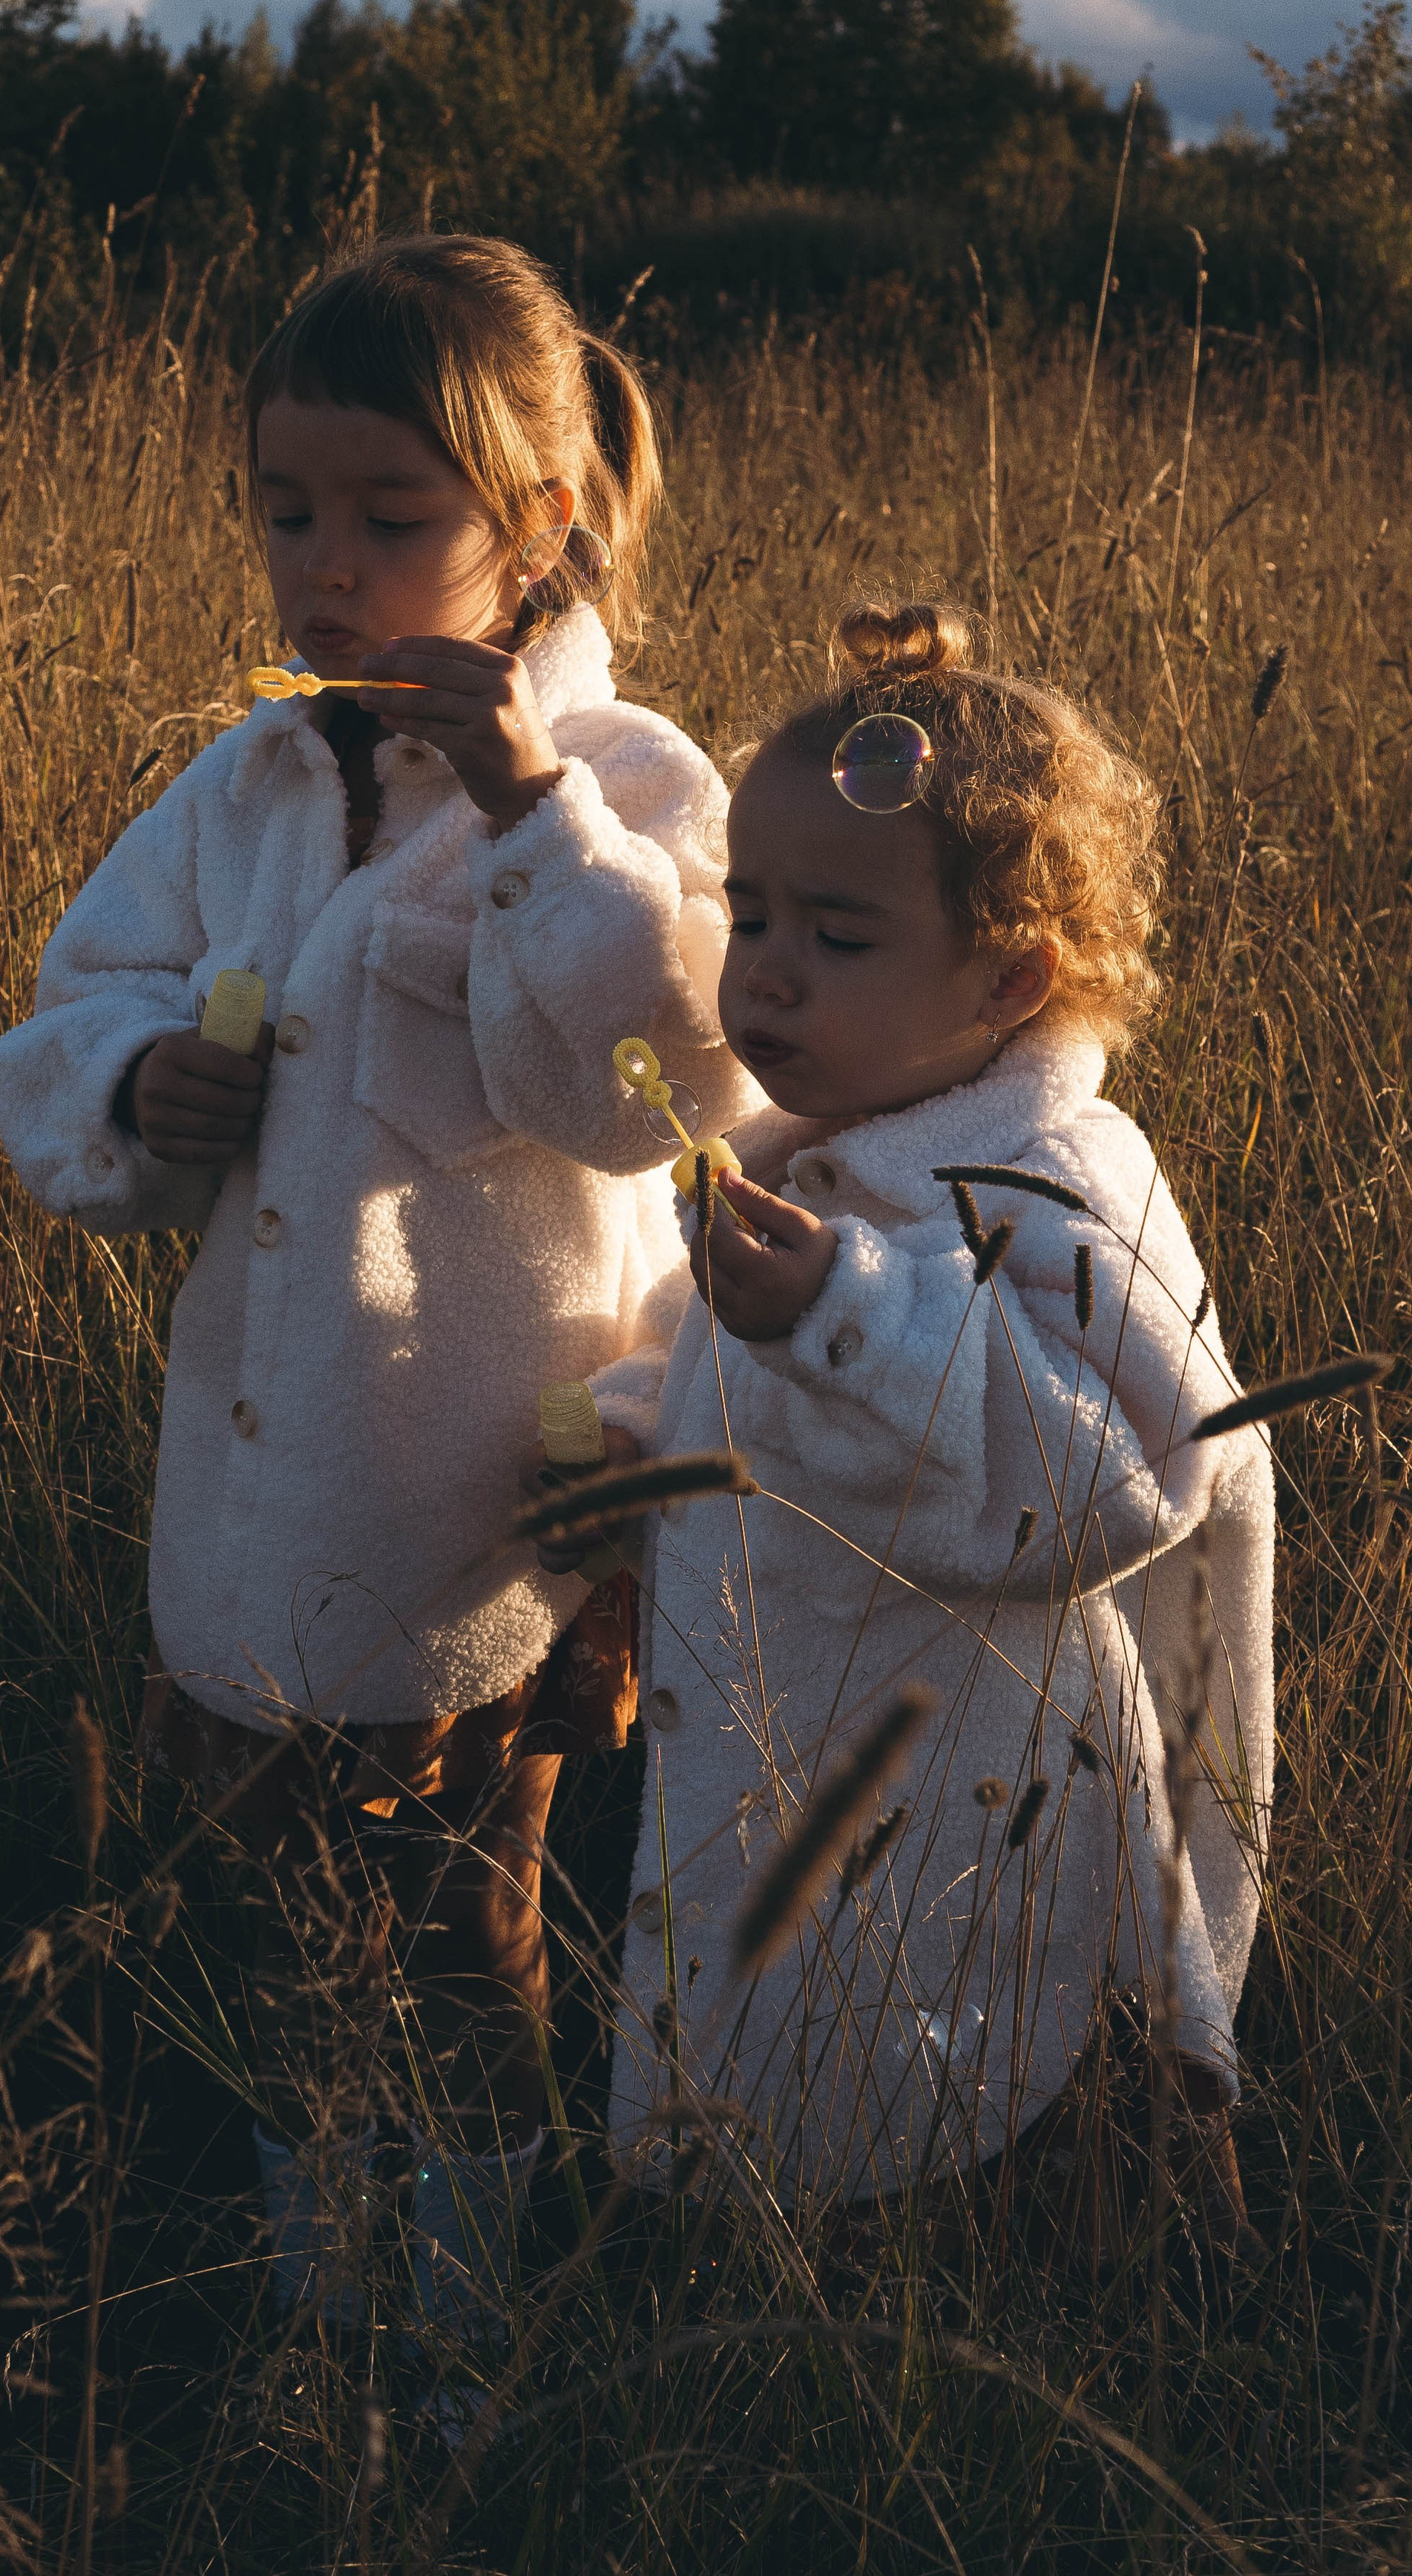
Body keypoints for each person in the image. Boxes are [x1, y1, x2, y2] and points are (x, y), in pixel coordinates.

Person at [0, 235, 755, 2356]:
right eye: (286, 512)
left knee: (461, 1925)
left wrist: (530, 812)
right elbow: (72, 1012)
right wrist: (150, 1081)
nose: (324, 567)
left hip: (466, 1510)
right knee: (269, 1914)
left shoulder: (642, 788)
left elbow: (660, 1095)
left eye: (389, 520)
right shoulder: (249, 781)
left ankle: (463, 2353)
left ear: (542, 527)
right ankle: (318, 2308)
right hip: (254, 1493)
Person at [539, 600, 1274, 2250]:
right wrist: (639, 1435)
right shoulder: (824, 1146)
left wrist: (843, 1318)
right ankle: (774, 2292)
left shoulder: (1049, 1188)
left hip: (977, 1779)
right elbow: (707, 1356)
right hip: (786, 1729)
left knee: (973, 2097)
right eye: (750, 913)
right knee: (793, 2036)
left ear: (1007, 976)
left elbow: (1115, 1479)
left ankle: (1013, 2324)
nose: (767, 970)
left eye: (839, 935)